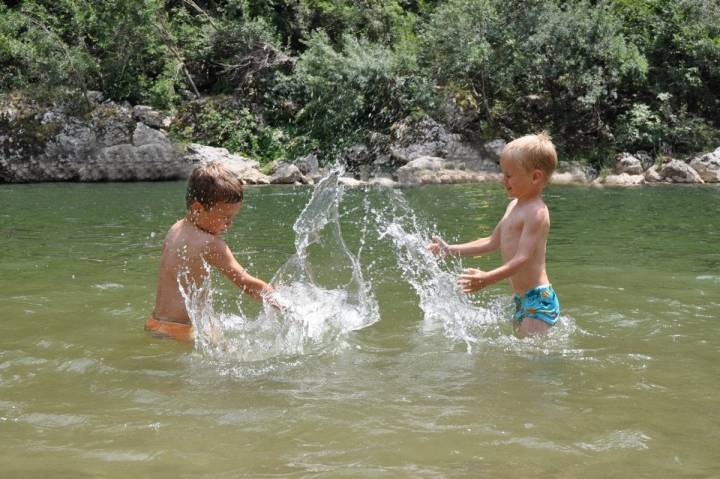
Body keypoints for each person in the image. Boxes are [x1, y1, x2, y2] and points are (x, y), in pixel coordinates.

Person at [428, 133, 560, 337]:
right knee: (521, 353)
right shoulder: (513, 206)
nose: (503, 180)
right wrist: (451, 249)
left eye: (509, 175)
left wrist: (488, 278)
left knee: (531, 357)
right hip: (521, 298)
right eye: (503, 173)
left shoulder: (537, 213)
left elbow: (523, 259)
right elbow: (491, 242)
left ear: (535, 177)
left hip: (538, 299)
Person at [146, 161, 274, 341]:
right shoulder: (211, 243)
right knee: (230, 354)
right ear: (198, 209)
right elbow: (245, 282)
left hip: (155, 323)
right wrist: (281, 301)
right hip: (183, 331)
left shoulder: (175, 229)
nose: (230, 224)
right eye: (225, 217)